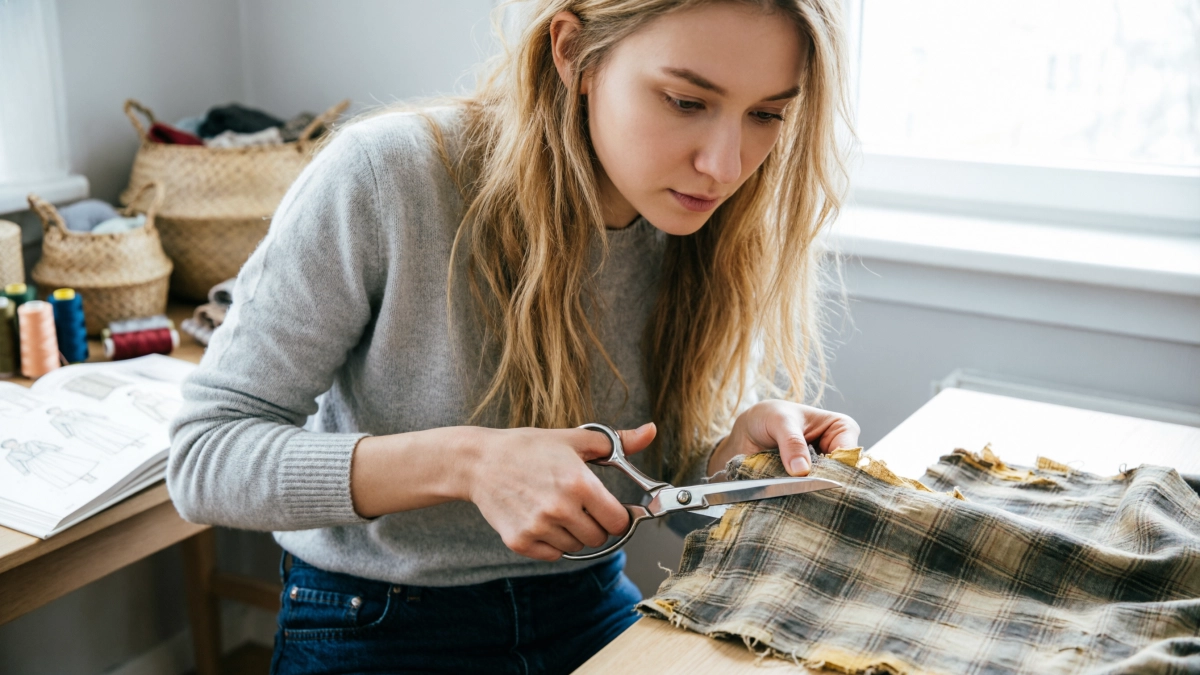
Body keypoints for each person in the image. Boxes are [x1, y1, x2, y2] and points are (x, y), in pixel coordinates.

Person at [167, 1, 860, 673]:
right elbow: (205, 460)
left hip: (586, 599)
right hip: (372, 620)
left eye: (767, 114)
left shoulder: (705, 223)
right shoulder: (386, 175)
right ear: (573, 52)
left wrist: (733, 462)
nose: (726, 165)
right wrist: (468, 464)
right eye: (685, 101)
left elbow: (672, 488)